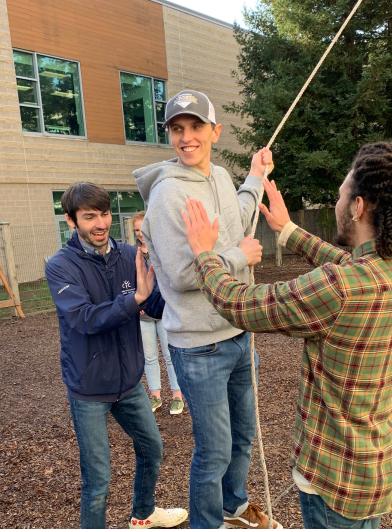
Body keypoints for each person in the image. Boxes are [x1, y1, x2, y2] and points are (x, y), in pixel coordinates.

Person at [181, 142, 392, 529]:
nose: (338, 202)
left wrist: (205, 254)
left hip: (335, 477)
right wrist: (288, 230)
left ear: (358, 206)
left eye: (342, 195)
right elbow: (353, 265)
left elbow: (239, 303)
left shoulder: (340, 288)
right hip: (382, 464)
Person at [134, 90, 281, 529]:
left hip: (238, 333)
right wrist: (239, 258)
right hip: (199, 348)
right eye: (177, 129)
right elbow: (178, 275)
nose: (186, 137)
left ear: (215, 132)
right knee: (214, 449)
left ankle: (233, 507)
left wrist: (254, 178)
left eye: (195, 127)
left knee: (243, 436)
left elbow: (236, 213)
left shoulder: (217, 176)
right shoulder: (166, 197)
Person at [45, 182, 188, 529]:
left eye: (105, 214)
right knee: (98, 479)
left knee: (151, 448)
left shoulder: (129, 255)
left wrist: (174, 282)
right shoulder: (60, 267)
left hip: (128, 383)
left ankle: (143, 514)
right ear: (70, 220)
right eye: (89, 216)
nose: (100, 223)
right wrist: (135, 300)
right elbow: (84, 319)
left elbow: (152, 303)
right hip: (89, 387)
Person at [132, 211, 184, 415]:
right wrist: (138, 302)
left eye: (143, 228)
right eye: (137, 230)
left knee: (170, 355)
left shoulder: (163, 250)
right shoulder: (131, 253)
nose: (141, 233)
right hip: (143, 314)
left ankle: (177, 396)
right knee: (150, 356)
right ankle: (155, 396)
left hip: (164, 312)